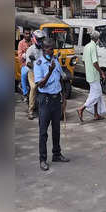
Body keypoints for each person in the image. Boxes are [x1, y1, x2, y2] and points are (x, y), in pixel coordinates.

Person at [34, 38, 70, 171]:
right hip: (45, 100)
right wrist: (49, 71)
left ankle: (56, 154)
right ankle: (42, 159)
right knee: (43, 132)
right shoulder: (39, 63)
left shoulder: (55, 60)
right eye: (50, 48)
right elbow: (40, 85)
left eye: (53, 48)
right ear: (44, 49)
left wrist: (64, 96)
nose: (52, 51)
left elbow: (60, 77)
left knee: (56, 129)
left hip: (56, 99)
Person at [77, 31, 106, 122]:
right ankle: (81, 108)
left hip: (89, 75)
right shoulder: (93, 47)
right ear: (97, 39)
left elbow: (84, 61)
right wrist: (101, 72)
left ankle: (96, 114)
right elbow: (95, 62)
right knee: (96, 94)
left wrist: (88, 70)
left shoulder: (86, 46)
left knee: (95, 94)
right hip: (94, 75)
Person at [25, 29, 46, 120]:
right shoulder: (30, 50)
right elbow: (28, 63)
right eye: (39, 39)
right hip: (32, 72)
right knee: (34, 88)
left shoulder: (43, 49)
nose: (41, 41)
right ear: (35, 39)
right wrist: (35, 65)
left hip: (42, 72)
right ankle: (30, 111)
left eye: (42, 39)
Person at [18, 27, 32, 101]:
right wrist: (25, 55)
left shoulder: (33, 41)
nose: (28, 35)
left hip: (34, 64)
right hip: (25, 65)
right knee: (23, 75)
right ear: (23, 34)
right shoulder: (21, 43)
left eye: (29, 33)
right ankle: (25, 94)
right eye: (26, 33)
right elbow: (19, 56)